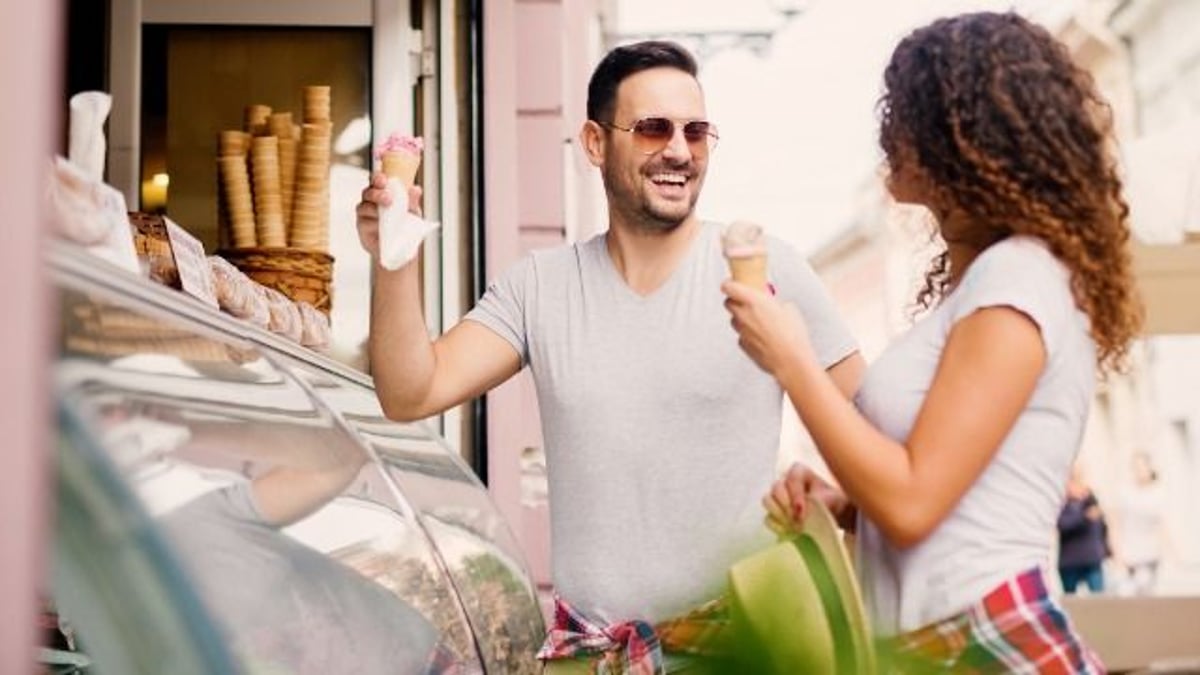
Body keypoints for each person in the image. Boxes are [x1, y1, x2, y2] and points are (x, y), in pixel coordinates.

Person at [356, 40, 863, 671]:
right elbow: (411, 392)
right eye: (653, 129)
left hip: (738, 651)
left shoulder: (766, 269)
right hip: (591, 658)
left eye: (696, 132)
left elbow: (877, 430)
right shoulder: (539, 287)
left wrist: (838, 505)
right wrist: (393, 254)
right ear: (595, 143)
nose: (679, 150)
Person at [723, 11, 1140, 672]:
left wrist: (793, 358)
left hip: (986, 641)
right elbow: (950, 498)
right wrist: (844, 505)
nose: (889, 129)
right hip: (943, 646)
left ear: (963, 132)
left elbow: (915, 501)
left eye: (908, 108)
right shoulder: (983, 282)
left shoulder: (1019, 274)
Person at [1113, 451, 1171, 595]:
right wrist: (1117, 553)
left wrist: (1170, 554)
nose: (1139, 470)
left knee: (1146, 591)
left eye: (1142, 466)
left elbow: (1163, 525)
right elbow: (1116, 524)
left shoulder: (1158, 493)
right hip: (1130, 552)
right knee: (1127, 593)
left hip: (1151, 554)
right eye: (1136, 467)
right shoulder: (1125, 493)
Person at [1057, 464, 1110, 594]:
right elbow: (1063, 525)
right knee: (1071, 602)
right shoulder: (1063, 502)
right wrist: (1084, 516)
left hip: (1092, 558)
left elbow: (1102, 527)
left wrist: (1107, 550)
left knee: (1099, 601)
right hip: (1070, 561)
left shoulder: (1091, 499)